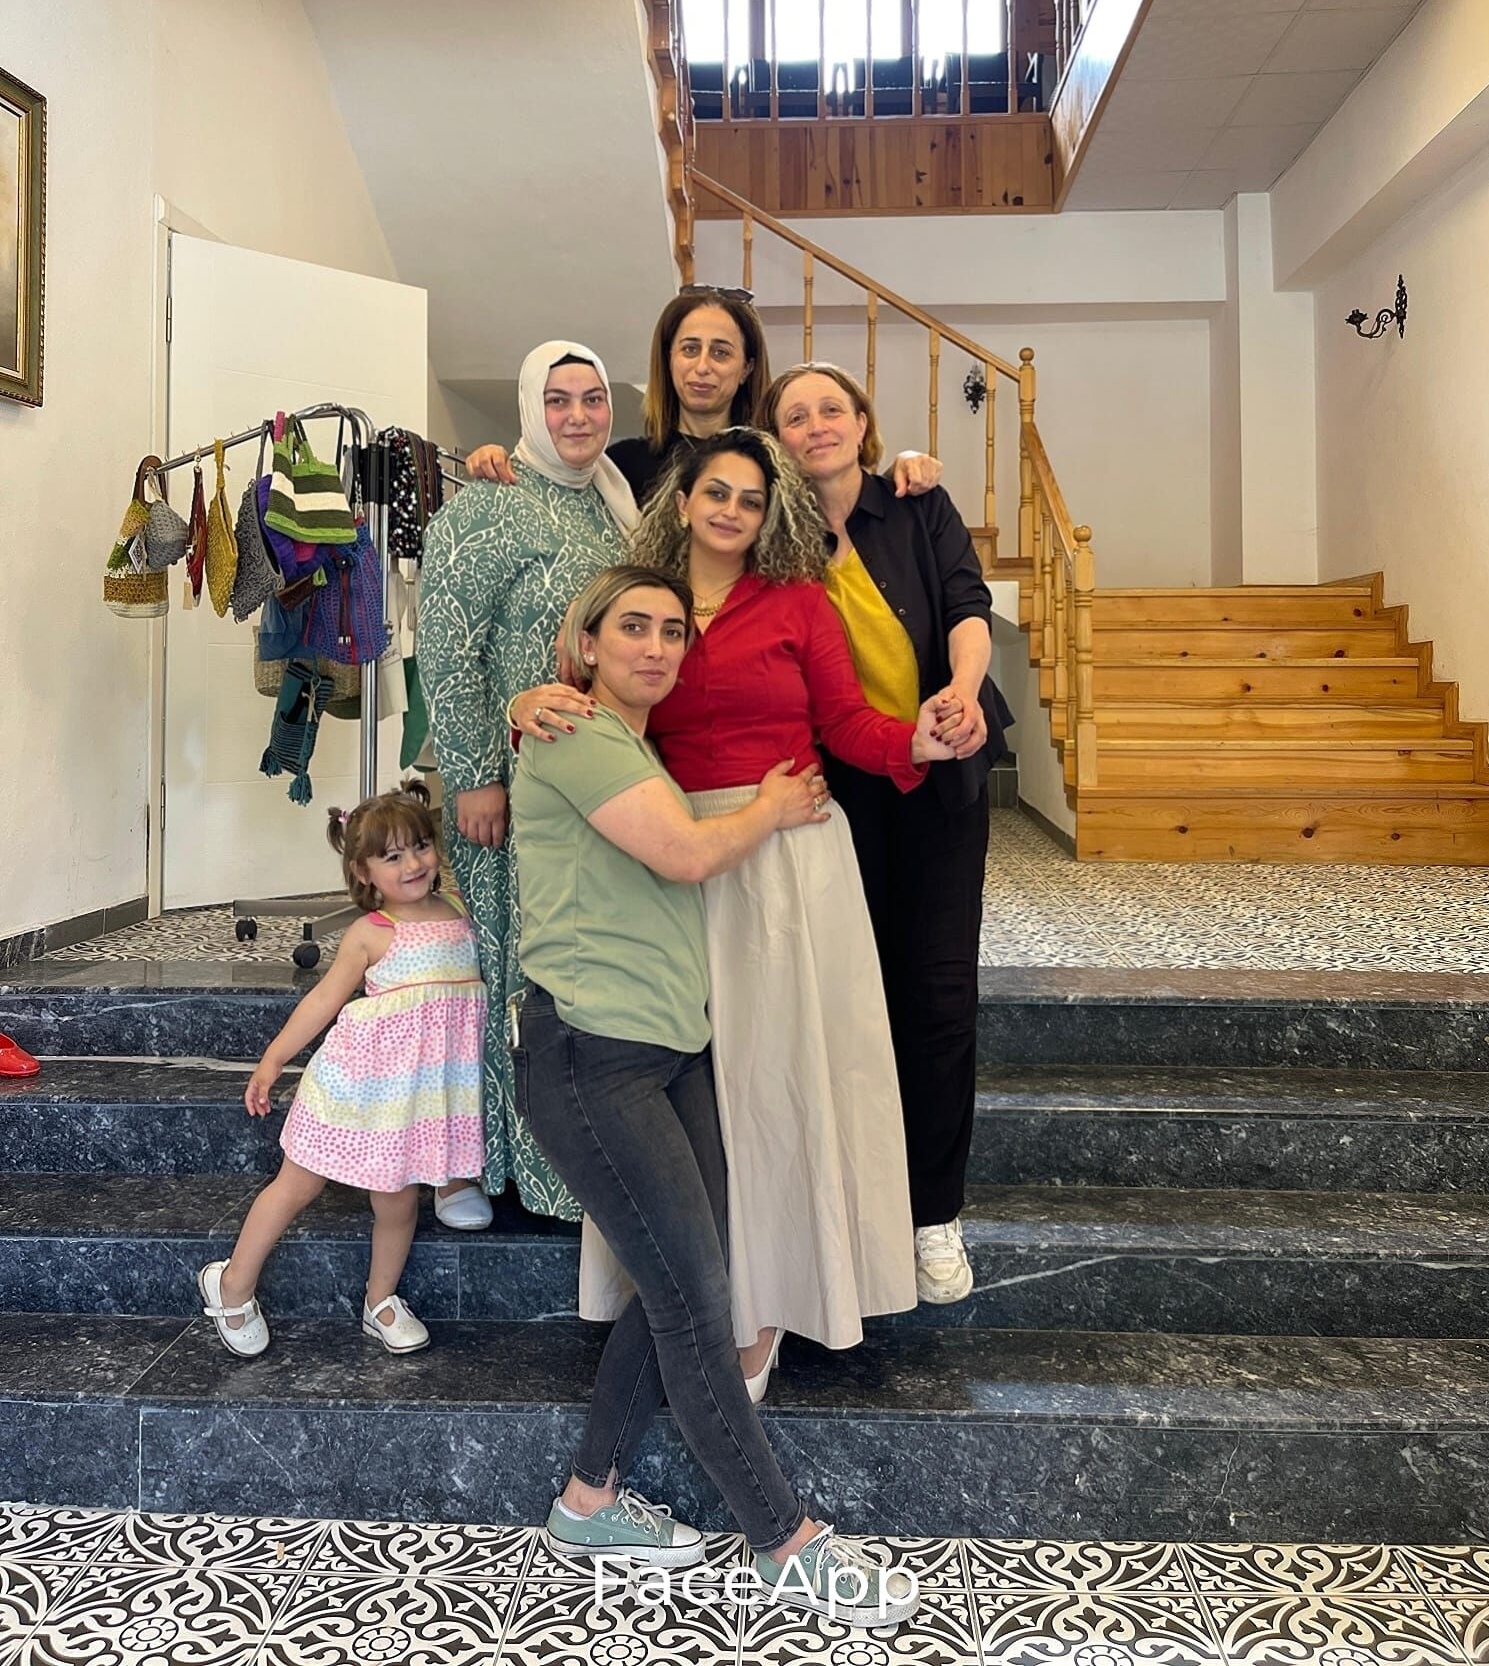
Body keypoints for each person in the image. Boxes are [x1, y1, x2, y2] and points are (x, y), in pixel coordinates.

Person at [511, 564, 919, 1629]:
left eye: (672, 632)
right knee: (698, 1304)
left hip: (669, 1053)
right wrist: (775, 806)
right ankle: (786, 1540)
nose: (656, 647)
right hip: (592, 1060)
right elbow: (690, 853)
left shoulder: (626, 741)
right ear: (586, 644)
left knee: (685, 1282)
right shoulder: (577, 735)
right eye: (632, 628)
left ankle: (588, 1500)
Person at [590, 428, 958, 1400]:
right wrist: (530, 706)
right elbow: (599, 703)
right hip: (679, 856)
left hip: (792, 859)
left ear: (768, 516)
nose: (732, 512)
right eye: (717, 492)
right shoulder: (644, 605)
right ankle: (692, 1295)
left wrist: (914, 741)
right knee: (693, 1093)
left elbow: (846, 724)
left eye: (751, 500)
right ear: (682, 502)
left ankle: (774, 1304)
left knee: (779, 1087)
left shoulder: (799, 602)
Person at [762, 362, 1010, 1306]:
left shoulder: (918, 503)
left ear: (863, 422)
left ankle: (933, 1214)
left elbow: (968, 608)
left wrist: (960, 692)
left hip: (943, 769)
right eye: (795, 415)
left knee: (939, 994)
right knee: (851, 997)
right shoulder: (773, 536)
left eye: (832, 408)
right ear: (777, 439)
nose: (816, 425)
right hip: (839, 792)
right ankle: (863, 1202)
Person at [416, 341, 638, 1226]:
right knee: (509, 968)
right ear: (527, 409)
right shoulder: (488, 505)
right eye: (557, 400)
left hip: (597, 791)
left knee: (572, 969)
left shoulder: (615, 507)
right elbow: (447, 646)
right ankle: (493, 1162)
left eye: (592, 398)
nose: (577, 416)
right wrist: (474, 775)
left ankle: (574, 1165)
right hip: (510, 789)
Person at [196, 783, 485, 1358]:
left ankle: (381, 1302)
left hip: (415, 1102)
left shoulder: (460, 911)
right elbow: (323, 1001)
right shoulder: (371, 932)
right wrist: (274, 1059)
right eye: (392, 856)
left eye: (421, 846)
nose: (413, 864)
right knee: (296, 1185)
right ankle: (232, 1282)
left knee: (397, 1200)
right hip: (355, 1087)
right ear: (363, 871)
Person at [465, 284, 942, 506]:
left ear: (746, 367)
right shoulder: (620, 466)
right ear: (669, 359)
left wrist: (903, 463)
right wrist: (500, 457)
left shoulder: (777, 462)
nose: (702, 367)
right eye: (689, 349)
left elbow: (845, 493)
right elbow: (557, 495)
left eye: (721, 352)